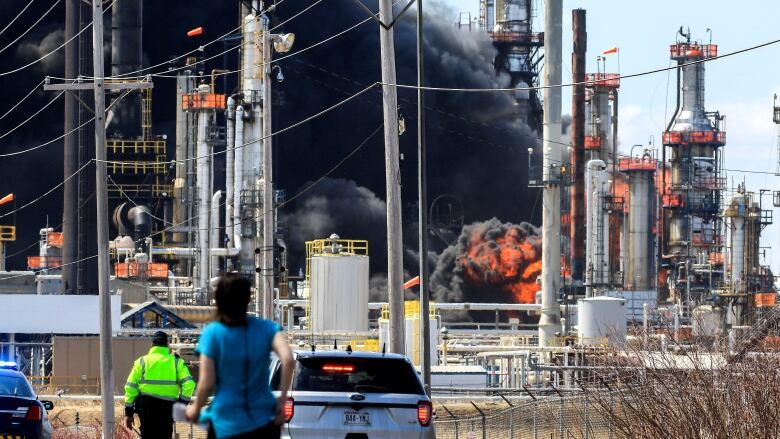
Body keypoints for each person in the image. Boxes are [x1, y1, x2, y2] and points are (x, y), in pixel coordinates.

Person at [186, 274, 295, 439]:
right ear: (248, 299)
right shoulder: (268, 328)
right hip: (264, 420)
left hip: (225, 422)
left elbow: (207, 383)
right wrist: (281, 402)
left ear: (219, 300)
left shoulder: (212, 333)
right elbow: (288, 360)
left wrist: (195, 409)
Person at [125, 330, 195, 438]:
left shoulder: (142, 361)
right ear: (167, 344)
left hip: (146, 408)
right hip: (167, 409)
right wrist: (181, 404)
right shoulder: (176, 362)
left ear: (152, 345)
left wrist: (129, 412)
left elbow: (130, 386)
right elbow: (189, 384)